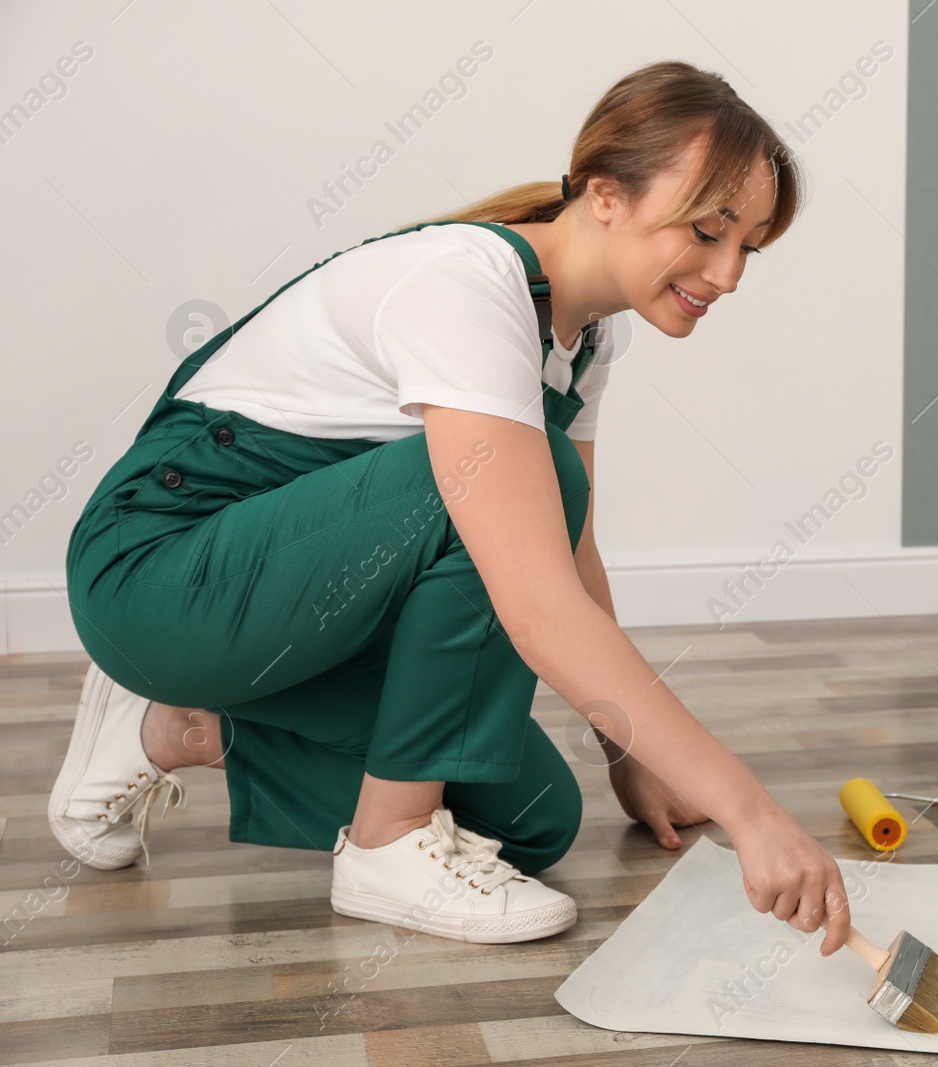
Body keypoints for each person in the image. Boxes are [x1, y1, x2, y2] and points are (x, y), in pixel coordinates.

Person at [50, 59, 853, 954]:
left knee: (533, 819)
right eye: (710, 229)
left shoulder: (587, 337)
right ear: (605, 195)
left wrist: (634, 755)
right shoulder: (468, 285)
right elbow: (536, 597)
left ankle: (176, 723)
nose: (730, 272)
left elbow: (572, 550)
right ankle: (386, 846)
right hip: (159, 574)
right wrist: (754, 813)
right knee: (520, 482)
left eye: (750, 244)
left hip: (273, 600)